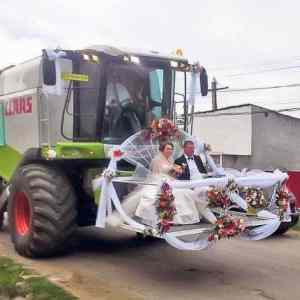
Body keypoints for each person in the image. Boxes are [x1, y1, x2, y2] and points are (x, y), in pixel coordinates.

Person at [175, 140, 217, 224]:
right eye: (190, 148)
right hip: (190, 183)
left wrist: (207, 177)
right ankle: (211, 218)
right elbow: (179, 177)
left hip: (201, 181)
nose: (192, 150)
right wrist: (191, 185)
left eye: (193, 148)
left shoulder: (197, 158)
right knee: (203, 193)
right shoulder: (179, 161)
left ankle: (211, 212)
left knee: (214, 191)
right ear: (184, 149)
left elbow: (204, 171)